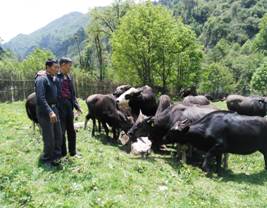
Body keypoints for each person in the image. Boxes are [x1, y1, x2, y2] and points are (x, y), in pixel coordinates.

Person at [35, 59, 62, 166]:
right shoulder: (41, 79)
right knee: (49, 137)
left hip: (54, 110)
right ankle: (46, 159)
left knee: (58, 135)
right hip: (45, 111)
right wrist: (50, 112)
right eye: (55, 67)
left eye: (58, 67)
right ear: (48, 67)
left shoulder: (53, 78)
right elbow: (40, 98)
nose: (57, 69)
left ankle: (55, 158)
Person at [57, 57, 82, 157]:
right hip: (60, 107)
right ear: (62, 65)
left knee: (71, 130)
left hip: (69, 106)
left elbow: (73, 94)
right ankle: (63, 153)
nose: (70, 67)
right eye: (69, 65)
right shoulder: (56, 77)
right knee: (62, 131)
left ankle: (73, 152)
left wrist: (77, 106)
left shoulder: (69, 77)